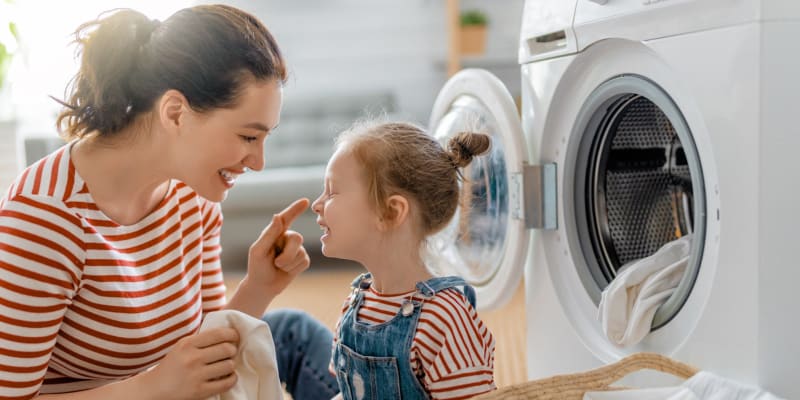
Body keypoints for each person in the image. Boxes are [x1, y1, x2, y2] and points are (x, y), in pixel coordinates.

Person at [0, 5, 337, 400]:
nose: (259, 163)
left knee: (295, 333)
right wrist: (152, 388)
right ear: (175, 112)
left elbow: (202, 350)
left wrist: (258, 286)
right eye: (248, 137)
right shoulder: (45, 218)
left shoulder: (193, 197)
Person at [310, 121, 497, 399]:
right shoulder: (355, 305)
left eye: (332, 192)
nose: (317, 203)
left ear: (391, 211)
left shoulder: (445, 318)